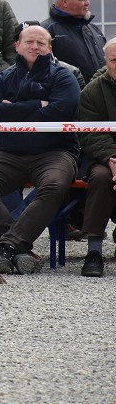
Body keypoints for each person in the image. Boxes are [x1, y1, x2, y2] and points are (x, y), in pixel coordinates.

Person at [0, 24, 80, 276]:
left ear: (49, 48)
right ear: (17, 46)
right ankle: (17, 246)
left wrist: (14, 108)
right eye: (29, 41)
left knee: (54, 186)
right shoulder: (2, 78)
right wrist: (36, 104)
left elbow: (59, 112)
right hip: (9, 152)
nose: (35, 46)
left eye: (41, 43)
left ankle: (7, 246)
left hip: (56, 151)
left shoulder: (64, 77)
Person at [77, 38, 116, 277]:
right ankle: (94, 251)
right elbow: (89, 132)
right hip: (104, 158)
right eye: (114, 60)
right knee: (101, 178)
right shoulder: (92, 91)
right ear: (105, 62)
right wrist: (112, 159)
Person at [41, 0, 106, 78]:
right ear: (65, 2)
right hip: (69, 92)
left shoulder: (94, 29)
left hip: (99, 93)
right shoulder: (46, 30)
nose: (87, 3)